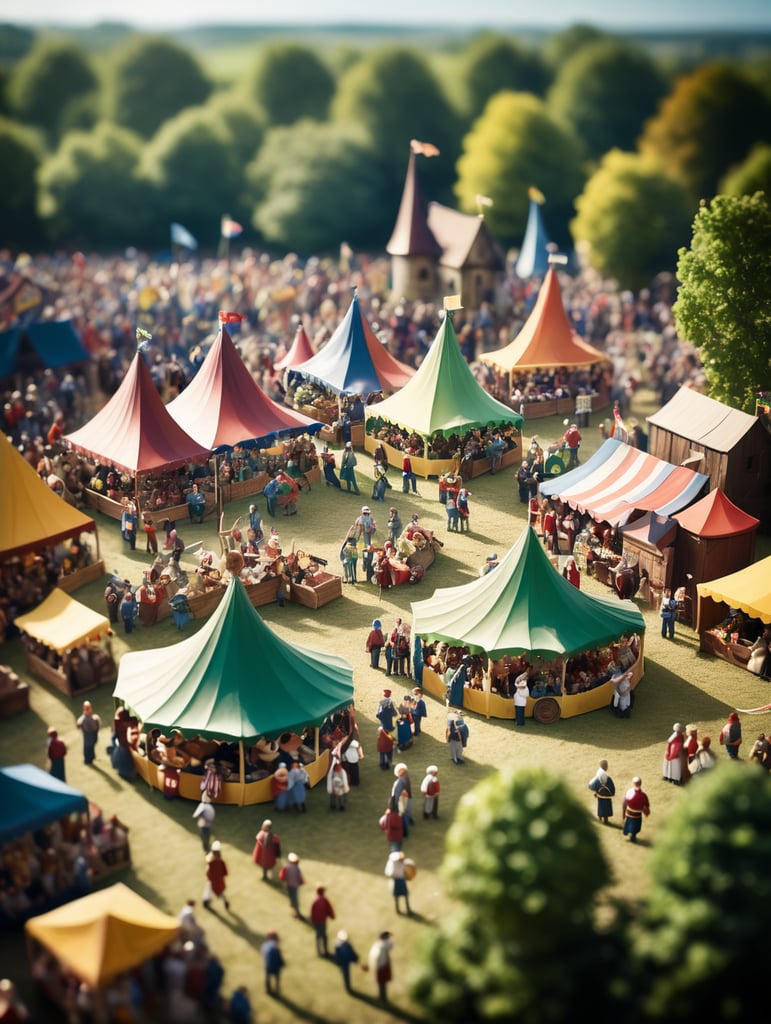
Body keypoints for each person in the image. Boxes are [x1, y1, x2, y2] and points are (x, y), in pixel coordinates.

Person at [622, 776, 650, 842]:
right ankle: (633, 837)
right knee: (635, 826)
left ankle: (631, 835)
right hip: (637, 814)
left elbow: (624, 803)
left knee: (630, 824)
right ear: (640, 783)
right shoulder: (643, 795)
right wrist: (646, 812)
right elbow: (646, 804)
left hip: (629, 813)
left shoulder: (629, 791)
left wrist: (623, 813)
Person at [203, 841, 230, 911]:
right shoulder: (220, 860)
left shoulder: (211, 862)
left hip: (212, 880)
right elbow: (225, 871)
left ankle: (207, 903)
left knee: (210, 891)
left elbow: (209, 872)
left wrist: (208, 876)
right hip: (219, 879)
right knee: (220, 892)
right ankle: (225, 902)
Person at [310, 885, 336, 956]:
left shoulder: (314, 901)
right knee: (324, 936)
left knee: (318, 936)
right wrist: (332, 916)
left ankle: (319, 952)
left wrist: (312, 921)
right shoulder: (324, 900)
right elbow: (329, 909)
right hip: (322, 921)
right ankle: (325, 951)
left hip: (316, 922)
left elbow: (312, 912)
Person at [588, 759, 615, 824]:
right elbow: (611, 787)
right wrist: (612, 792)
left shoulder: (598, 774)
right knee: (606, 808)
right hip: (606, 795)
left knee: (601, 806)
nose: (607, 766)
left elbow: (594, 785)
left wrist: (596, 792)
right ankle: (605, 820)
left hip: (600, 795)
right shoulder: (607, 777)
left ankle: (600, 818)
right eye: (606, 765)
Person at [368, 931, 394, 1002]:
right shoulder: (385, 945)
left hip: (380, 966)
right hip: (384, 965)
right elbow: (391, 944)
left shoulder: (378, 946)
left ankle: (382, 996)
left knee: (381, 983)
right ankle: (383, 997)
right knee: (383, 983)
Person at [279, 852, 304, 919]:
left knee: (292, 899)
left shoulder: (286, 867)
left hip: (289, 885)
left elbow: (281, 876)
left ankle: (295, 912)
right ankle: (296, 913)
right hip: (295, 886)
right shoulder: (296, 869)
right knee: (294, 899)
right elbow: (299, 878)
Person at [385, 850, 411, 915]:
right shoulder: (394, 864)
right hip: (396, 881)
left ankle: (406, 909)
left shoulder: (401, 863)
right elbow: (390, 873)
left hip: (400, 880)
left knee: (404, 895)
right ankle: (398, 910)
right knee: (398, 896)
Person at [76, 700, 101, 766]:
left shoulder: (93, 717)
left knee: (92, 745)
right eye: (86, 708)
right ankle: (87, 760)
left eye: (88, 708)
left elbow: (97, 724)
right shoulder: (83, 718)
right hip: (87, 734)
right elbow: (78, 724)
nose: (87, 709)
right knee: (87, 747)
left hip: (93, 733)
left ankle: (92, 757)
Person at [261, 930, 285, 997]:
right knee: (277, 978)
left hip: (267, 965)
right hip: (275, 966)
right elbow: (278, 958)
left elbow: (264, 954)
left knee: (268, 977)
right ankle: (277, 990)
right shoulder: (275, 947)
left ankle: (268, 990)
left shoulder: (264, 945)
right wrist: (282, 963)